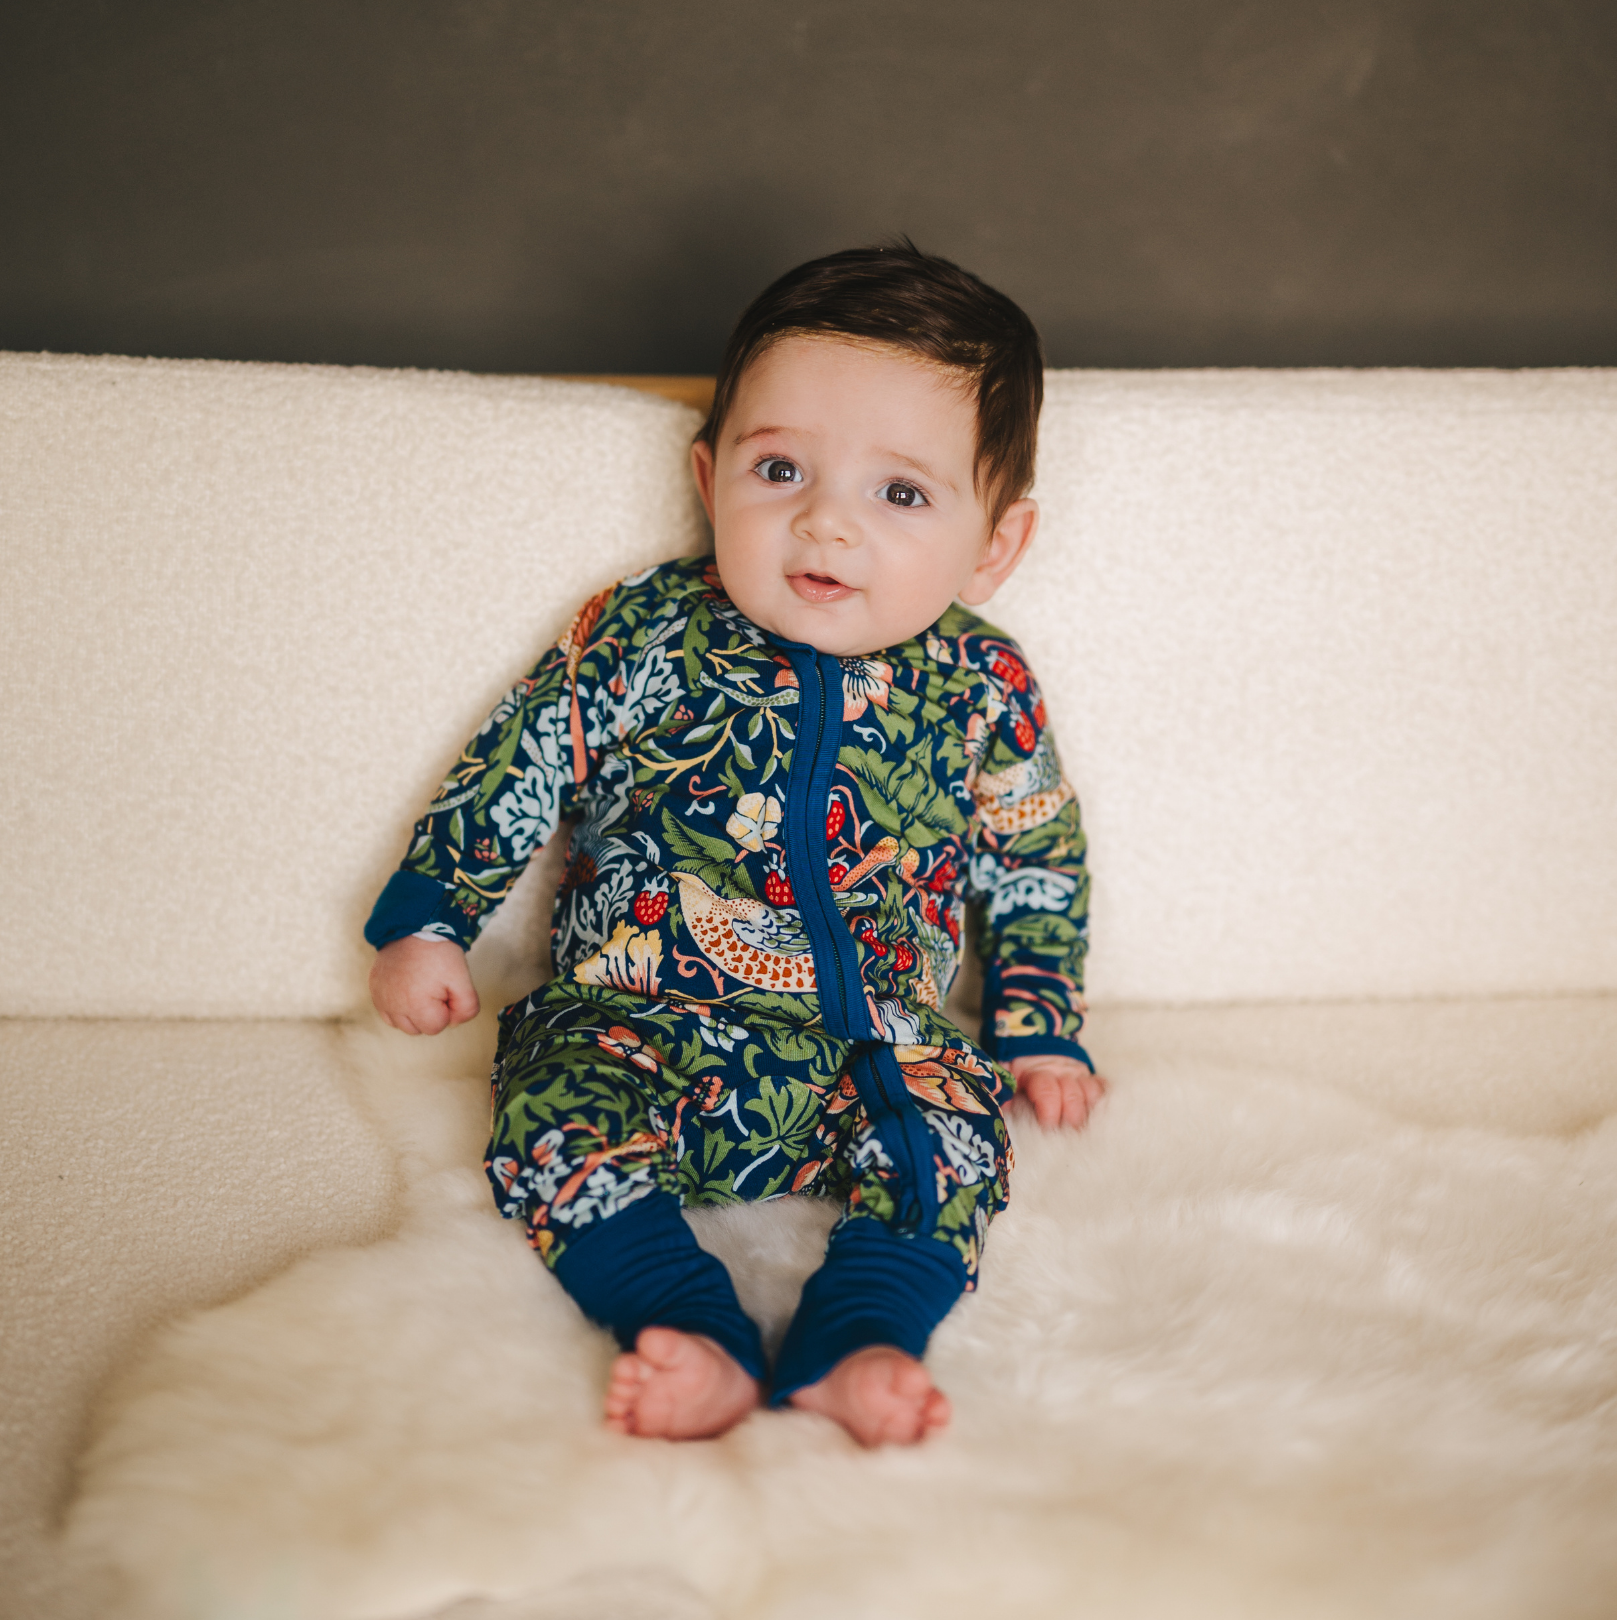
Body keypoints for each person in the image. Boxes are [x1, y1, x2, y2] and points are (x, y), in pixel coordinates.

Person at [366, 244, 1103, 1448]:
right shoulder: (643, 631)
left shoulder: (983, 682)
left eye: (901, 494)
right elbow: (521, 760)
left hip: (877, 1046)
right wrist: (430, 918)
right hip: (638, 1021)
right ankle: (683, 1327)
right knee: (548, 1108)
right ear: (710, 479)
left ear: (995, 545)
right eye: (781, 469)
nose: (826, 521)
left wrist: (1037, 1022)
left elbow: (1034, 858)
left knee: (955, 1143)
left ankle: (862, 1339)